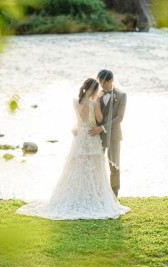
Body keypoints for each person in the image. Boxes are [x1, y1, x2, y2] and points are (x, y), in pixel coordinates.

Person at [15, 78, 130, 220]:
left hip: (80, 137)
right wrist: (97, 104)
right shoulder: (94, 103)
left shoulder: (75, 102)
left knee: (77, 167)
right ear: (94, 90)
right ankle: (92, 195)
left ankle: (76, 195)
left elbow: (78, 120)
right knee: (92, 168)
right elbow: (99, 119)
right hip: (91, 135)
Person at [88, 70, 127, 198]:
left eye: (103, 82)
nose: (101, 85)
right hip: (97, 135)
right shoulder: (97, 95)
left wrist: (103, 128)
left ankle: (114, 193)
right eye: (99, 82)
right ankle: (97, 192)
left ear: (111, 81)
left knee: (114, 164)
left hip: (114, 135)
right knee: (97, 163)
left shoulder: (122, 96)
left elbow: (119, 118)